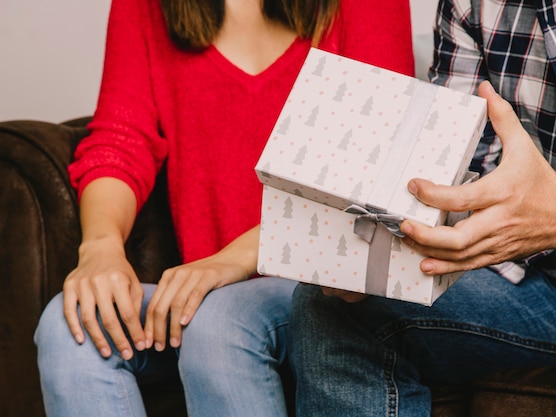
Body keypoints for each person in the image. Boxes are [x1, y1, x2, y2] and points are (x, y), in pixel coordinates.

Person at [33, 0, 415, 416]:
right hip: (207, 297)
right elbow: (120, 140)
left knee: (219, 322)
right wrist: (101, 248)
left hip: (327, 290)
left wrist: (234, 258)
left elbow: (382, 165)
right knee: (68, 325)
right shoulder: (144, 7)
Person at [288, 0, 556, 416]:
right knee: (330, 308)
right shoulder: (475, 5)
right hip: (535, 282)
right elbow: (457, 169)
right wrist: (385, 253)